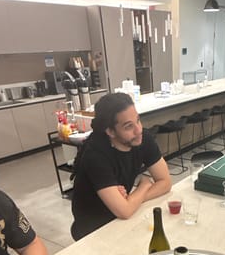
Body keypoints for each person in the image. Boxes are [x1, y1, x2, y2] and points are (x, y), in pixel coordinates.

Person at [70, 92, 171, 240]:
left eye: (138, 120)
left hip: (124, 217)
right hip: (93, 229)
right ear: (110, 131)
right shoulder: (96, 155)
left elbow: (165, 182)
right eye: (129, 126)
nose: (139, 130)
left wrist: (133, 199)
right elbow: (124, 211)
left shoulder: (142, 139)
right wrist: (143, 186)